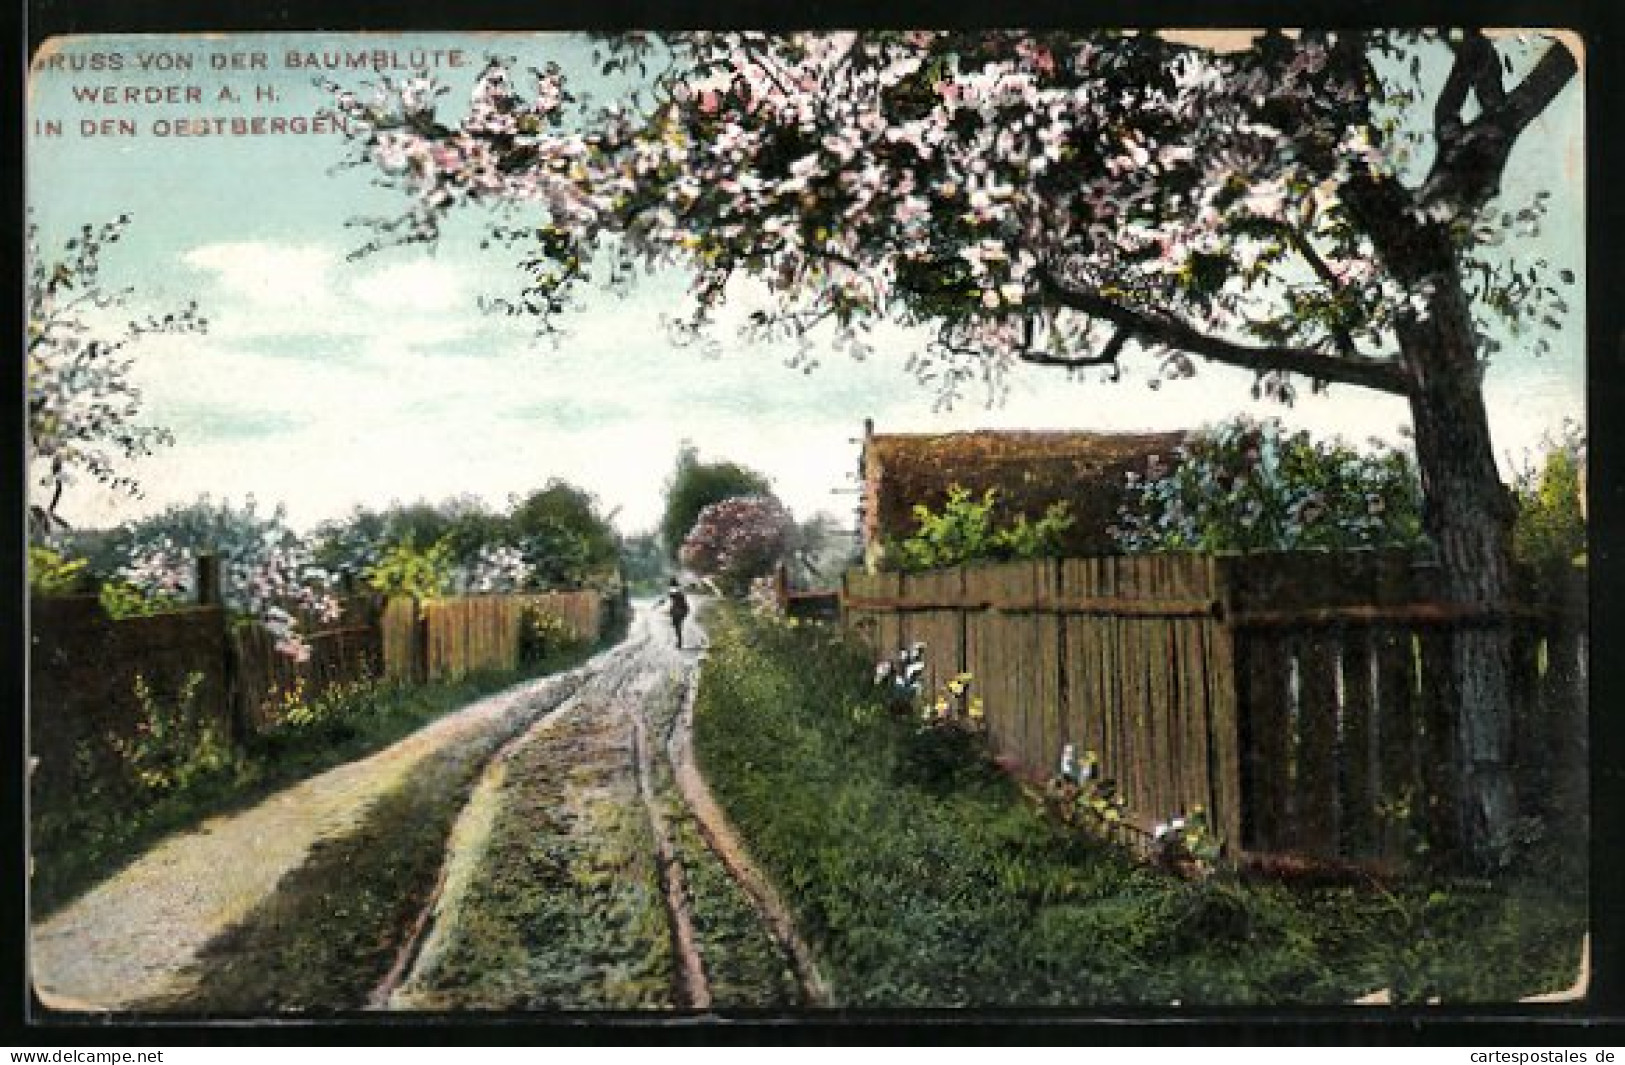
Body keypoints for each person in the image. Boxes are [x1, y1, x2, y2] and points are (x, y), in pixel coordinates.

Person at [664, 578, 690, 649]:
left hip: (680, 609)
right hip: (683, 609)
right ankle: (679, 641)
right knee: (677, 625)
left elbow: (673, 598)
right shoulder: (678, 590)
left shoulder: (675, 590)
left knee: (676, 625)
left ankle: (679, 642)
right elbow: (673, 600)